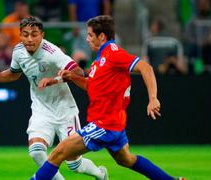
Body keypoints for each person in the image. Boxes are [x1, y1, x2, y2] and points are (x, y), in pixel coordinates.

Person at [31, 15, 185, 180]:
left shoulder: (113, 53)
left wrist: (153, 98)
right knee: (126, 159)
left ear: (102, 36)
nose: (87, 39)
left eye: (90, 35)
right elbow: (91, 86)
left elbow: (146, 68)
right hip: (113, 124)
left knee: (58, 153)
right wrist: (73, 77)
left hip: (104, 124)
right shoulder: (101, 59)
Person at [0, 16, 107, 180]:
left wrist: (55, 80)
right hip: (41, 109)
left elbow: (78, 73)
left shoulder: (52, 53)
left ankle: (100, 174)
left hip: (64, 109)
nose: (29, 39)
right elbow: (13, 74)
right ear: (20, 35)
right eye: (25, 34)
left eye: (34, 34)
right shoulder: (18, 51)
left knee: (74, 164)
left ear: (42, 35)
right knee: (36, 151)